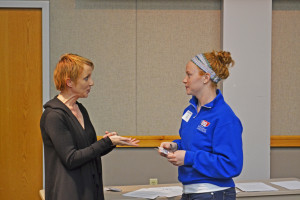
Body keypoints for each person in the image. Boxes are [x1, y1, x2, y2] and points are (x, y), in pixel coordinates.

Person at [40, 53, 139, 200]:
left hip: (90, 190)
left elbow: (89, 151)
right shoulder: (54, 116)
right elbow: (71, 158)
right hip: (69, 194)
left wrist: (110, 142)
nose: (91, 83)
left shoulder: (81, 109)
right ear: (69, 82)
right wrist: (105, 143)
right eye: (86, 78)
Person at [159, 51, 243, 200]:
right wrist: (176, 146)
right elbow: (197, 144)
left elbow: (231, 165)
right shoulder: (190, 111)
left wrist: (189, 158)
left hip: (214, 193)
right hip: (190, 192)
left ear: (205, 78)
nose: (184, 80)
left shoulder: (224, 117)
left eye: (189, 75)